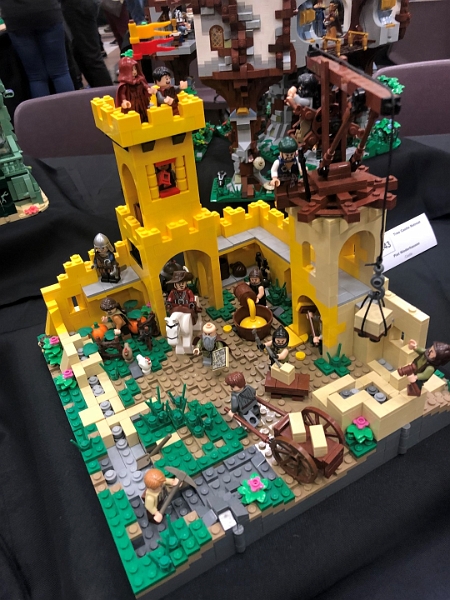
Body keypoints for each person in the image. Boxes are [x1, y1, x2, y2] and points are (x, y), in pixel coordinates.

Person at [0, 0, 74, 98]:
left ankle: (41, 108)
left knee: (36, 77)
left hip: (15, 16)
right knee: (60, 72)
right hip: (47, 10)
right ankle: (70, 107)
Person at [61, 0, 113, 88]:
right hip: (75, 6)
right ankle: (99, 91)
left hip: (78, 6)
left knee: (92, 57)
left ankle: (107, 93)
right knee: (80, 54)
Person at [116, 55, 153, 122]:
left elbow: (145, 86)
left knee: (144, 111)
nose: (134, 72)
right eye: (132, 70)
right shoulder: (125, 85)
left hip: (142, 100)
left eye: (135, 69)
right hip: (132, 102)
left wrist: (149, 89)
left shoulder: (139, 80)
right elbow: (122, 94)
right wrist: (124, 100)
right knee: (133, 114)